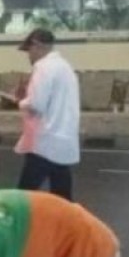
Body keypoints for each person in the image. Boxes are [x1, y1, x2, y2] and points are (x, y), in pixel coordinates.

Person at [12, 29, 81, 201]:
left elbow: (37, 104)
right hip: (64, 142)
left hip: (44, 143)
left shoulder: (43, 67)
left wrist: (20, 101)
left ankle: (19, 227)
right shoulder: (66, 67)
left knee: (23, 197)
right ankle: (68, 227)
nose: (29, 56)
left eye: (29, 50)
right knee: (63, 199)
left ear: (36, 45)